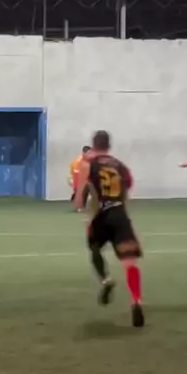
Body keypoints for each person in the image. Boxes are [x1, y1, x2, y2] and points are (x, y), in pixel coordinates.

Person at [75, 130, 144, 328]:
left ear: (93, 145)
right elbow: (127, 188)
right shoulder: (120, 166)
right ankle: (136, 301)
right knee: (130, 262)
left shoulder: (87, 163)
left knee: (94, 247)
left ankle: (106, 280)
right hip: (120, 214)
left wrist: (82, 206)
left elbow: (80, 198)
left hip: (101, 215)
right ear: (109, 145)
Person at [69, 146, 91, 211]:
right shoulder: (78, 162)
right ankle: (77, 203)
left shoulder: (90, 161)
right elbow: (76, 175)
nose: (90, 155)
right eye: (89, 153)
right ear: (83, 153)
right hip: (76, 179)